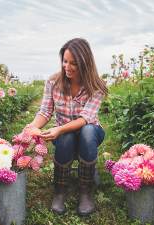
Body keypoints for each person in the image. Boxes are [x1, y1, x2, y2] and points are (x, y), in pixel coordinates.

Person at [24, 38, 108, 216]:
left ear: (85, 63)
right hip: (64, 136)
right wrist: (31, 127)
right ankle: (60, 190)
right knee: (66, 137)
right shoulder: (53, 82)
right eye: (65, 61)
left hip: (91, 132)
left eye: (74, 63)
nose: (67, 67)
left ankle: (85, 191)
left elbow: (86, 118)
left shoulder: (96, 86)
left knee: (86, 131)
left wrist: (59, 129)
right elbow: (45, 111)